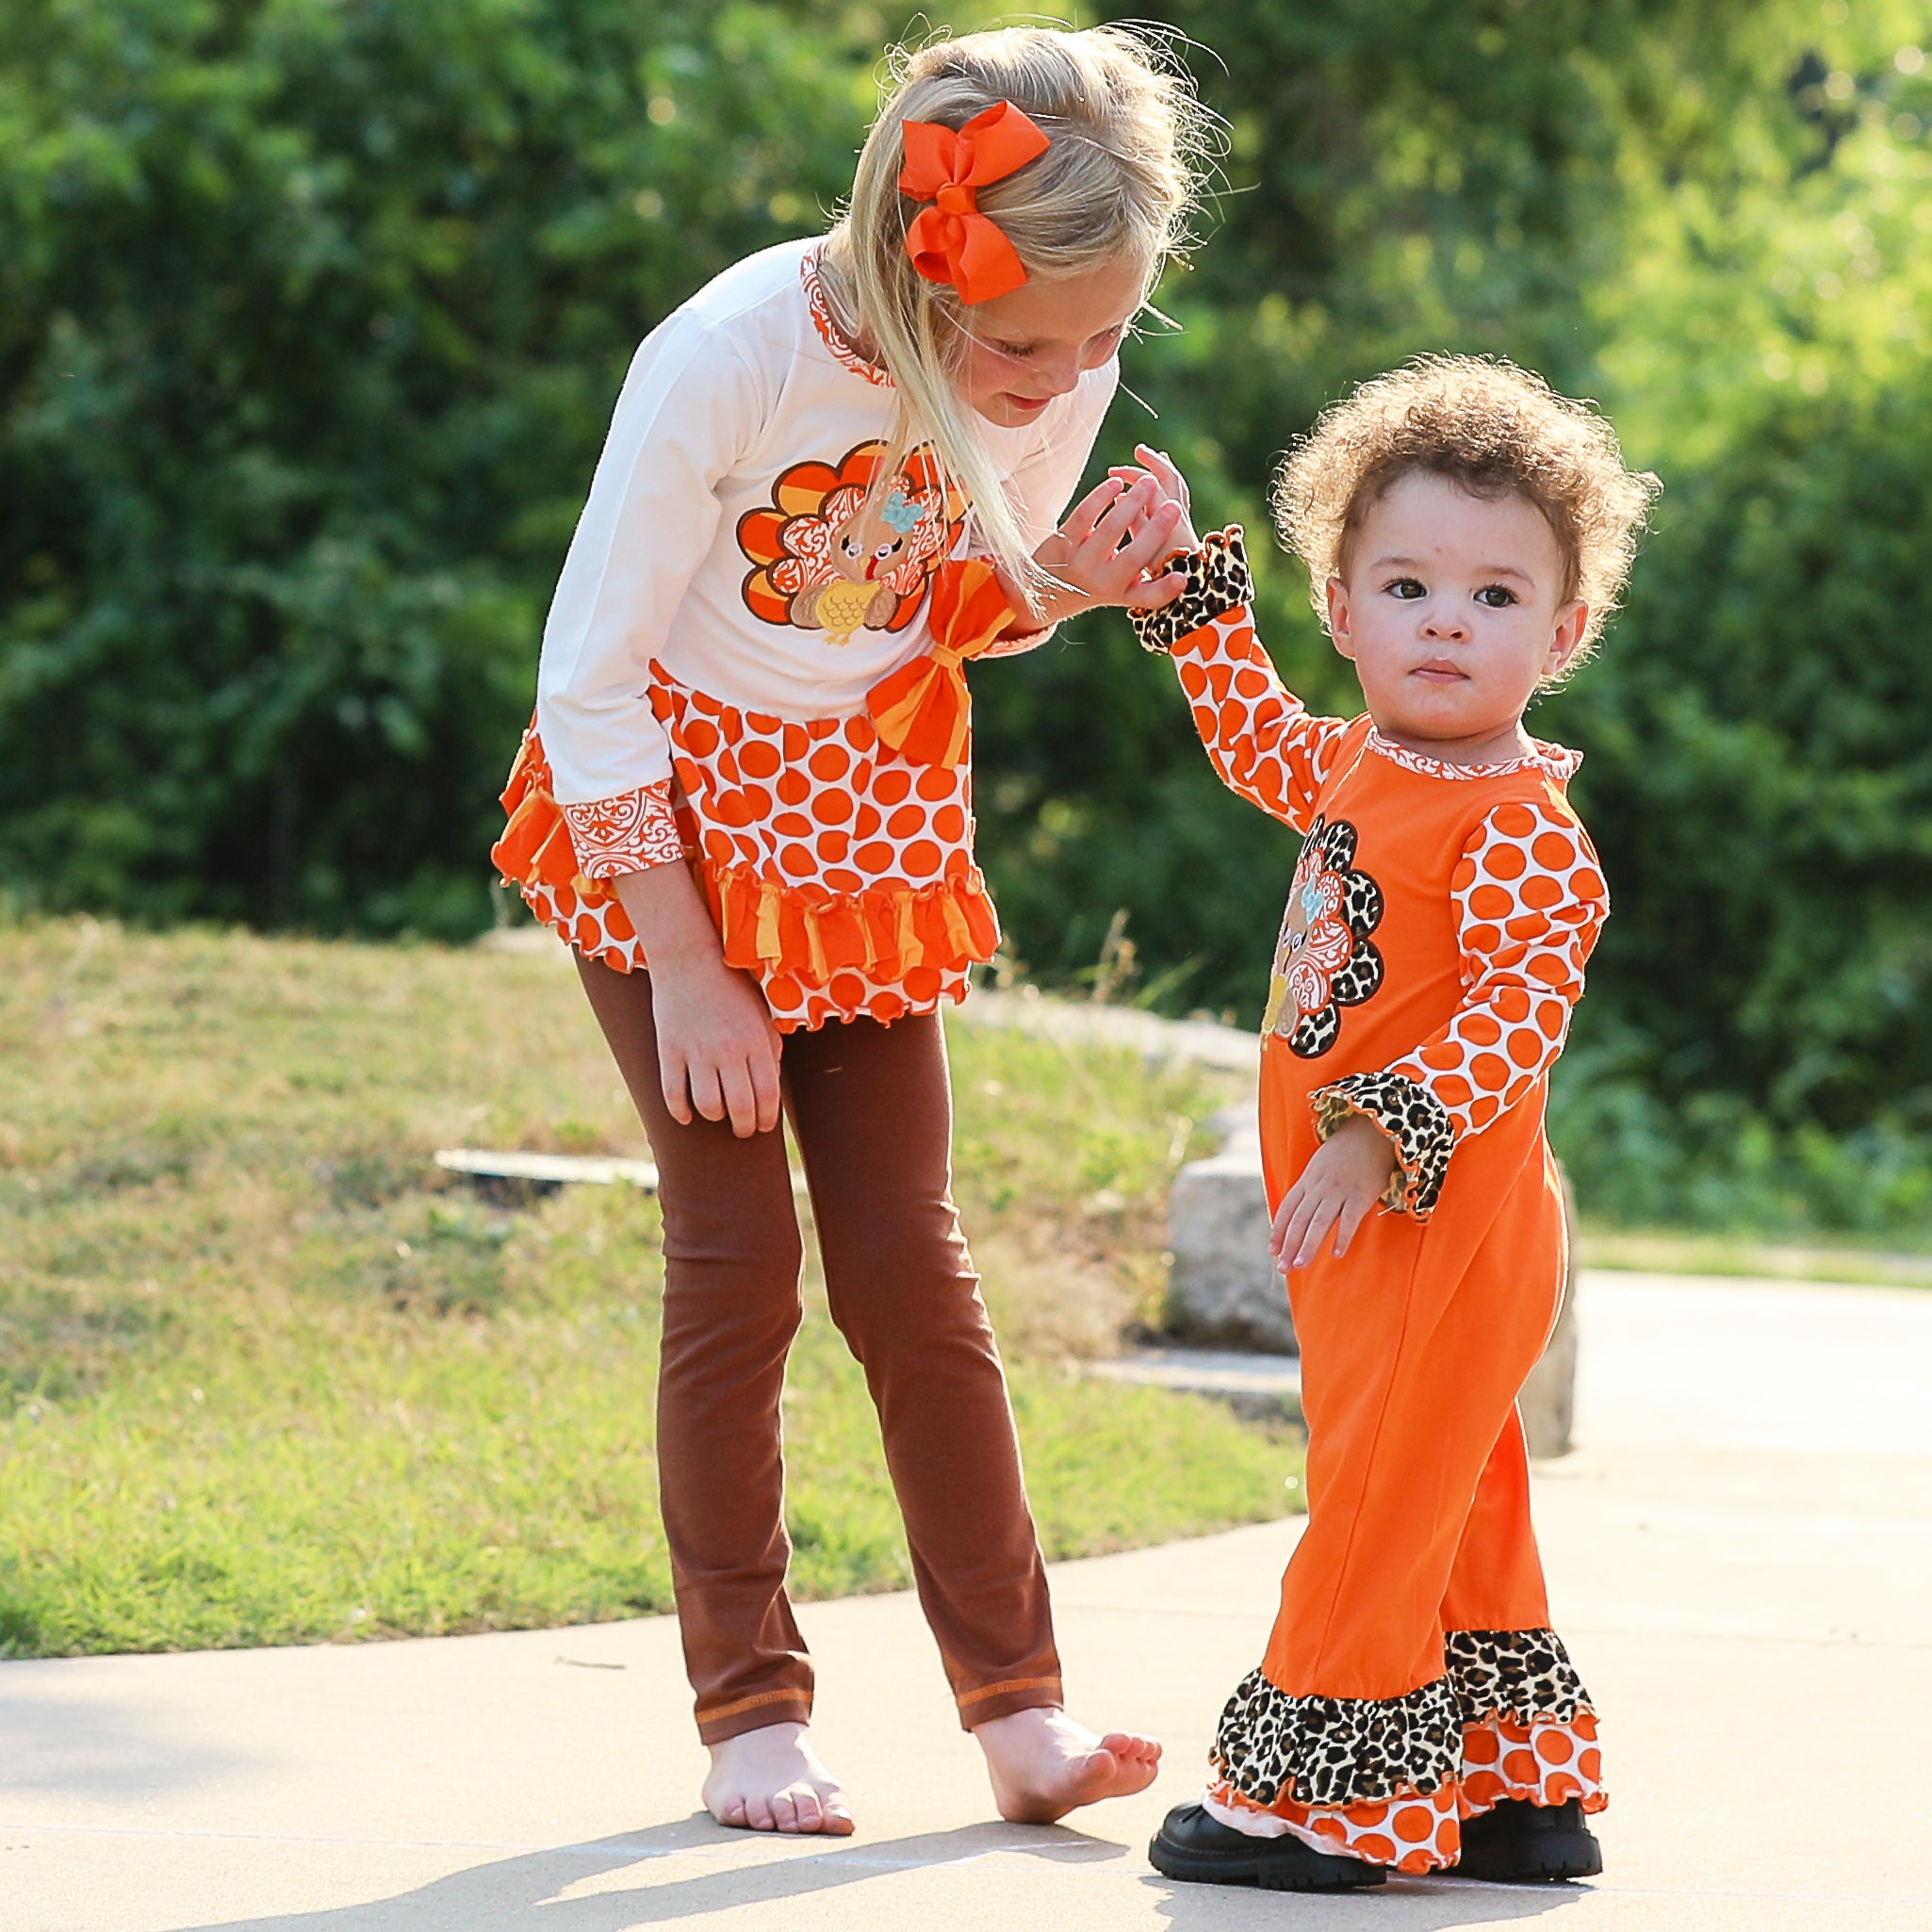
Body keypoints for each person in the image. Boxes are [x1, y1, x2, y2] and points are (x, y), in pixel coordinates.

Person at [491, 25, 1211, 1837]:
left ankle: (1019, 1709)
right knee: (737, 1267)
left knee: (912, 1262)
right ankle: (749, 1715)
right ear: (917, 257)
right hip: (662, 814)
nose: (1064, 381)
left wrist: (1072, 581)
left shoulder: (1055, 361)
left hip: (860, 816)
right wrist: (684, 961)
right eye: (1031, 342)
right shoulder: (726, 359)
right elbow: (583, 678)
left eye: (1103, 338)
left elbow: (937, 605)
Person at [1120, 357, 1658, 1891]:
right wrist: (1188, 595)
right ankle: (1507, 1786)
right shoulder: (1364, 762)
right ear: (1341, 606)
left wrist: (1374, 1131)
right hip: (1366, 1224)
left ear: (1560, 634)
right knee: (1453, 1486)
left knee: (1367, 1492)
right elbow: (1249, 738)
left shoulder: (1519, 830)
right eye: (1405, 583)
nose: (1442, 619)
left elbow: (1509, 1018)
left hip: (1434, 1223)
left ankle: (1315, 1801)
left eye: (1493, 597)